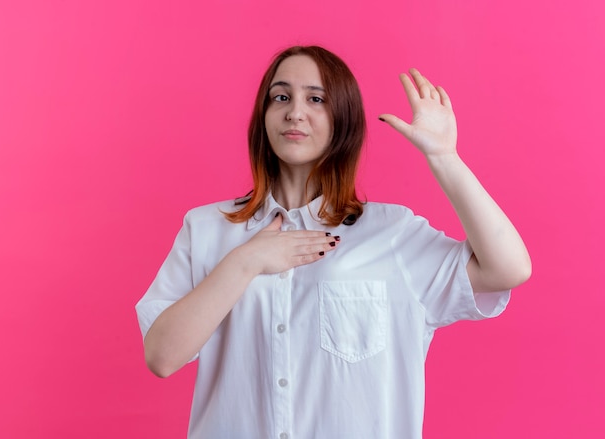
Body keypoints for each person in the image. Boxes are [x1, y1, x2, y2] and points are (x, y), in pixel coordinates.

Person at [135, 45, 531, 439]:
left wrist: (444, 156)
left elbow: (508, 269)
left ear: (342, 118)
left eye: (316, 99)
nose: (295, 112)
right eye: (281, 96)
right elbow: (162, 356)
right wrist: (244, 262)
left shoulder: (393, 233)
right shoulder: (206, 228)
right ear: (263, 115)